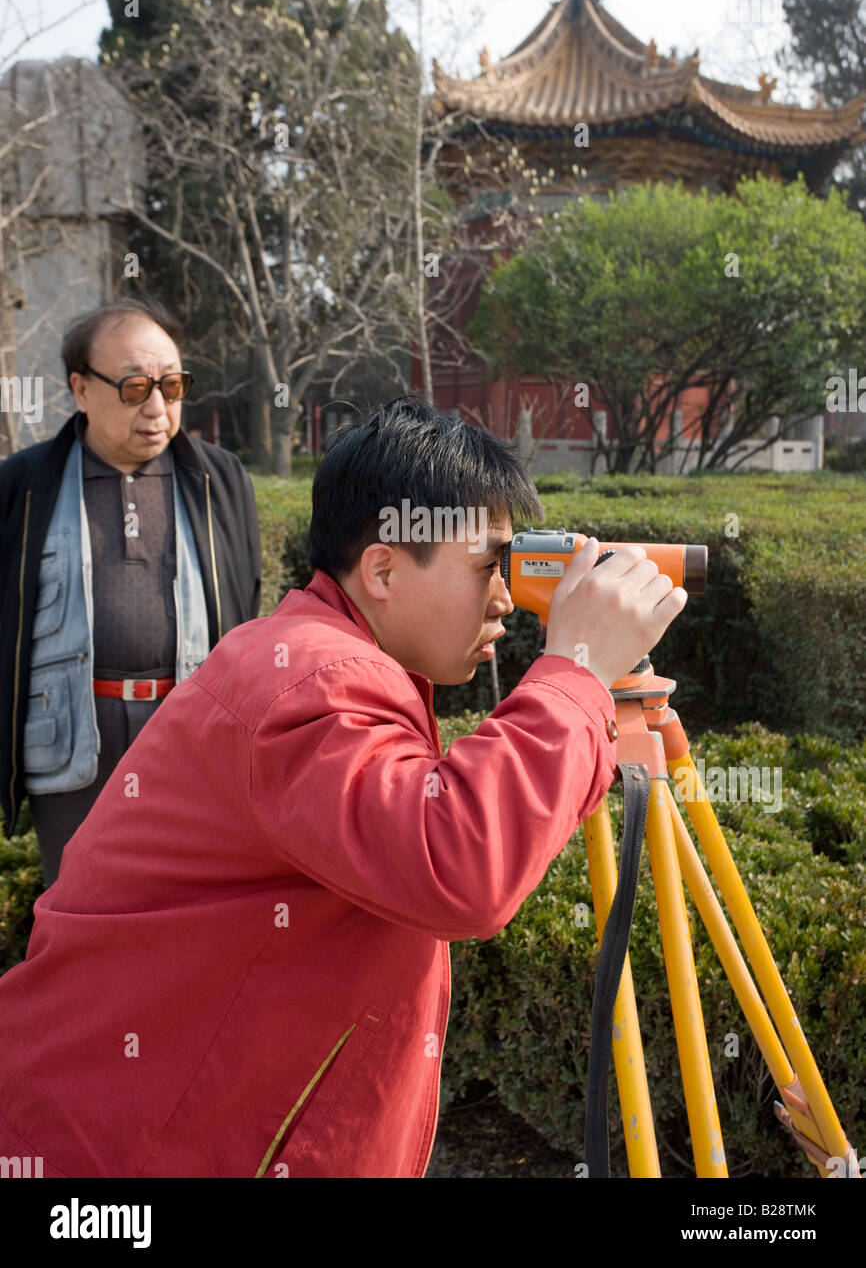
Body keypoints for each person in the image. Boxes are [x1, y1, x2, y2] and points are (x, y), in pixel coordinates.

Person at [0, 396, 686, 1178]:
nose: (506, 598)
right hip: (127, 1156)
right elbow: (458, 867)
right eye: (488, 565)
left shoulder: (310, 653)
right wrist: (577, 674)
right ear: (384, 567)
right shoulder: (318, 682)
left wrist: (586, 692)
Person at [0, 297, 262, 884]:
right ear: (80, 387)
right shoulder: (23, 486)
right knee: (77, 916)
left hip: (188, 739)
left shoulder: (220, 480)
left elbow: (245, 600)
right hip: (71, 743)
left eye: (171, 387)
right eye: (134, 387)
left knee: (186, 915)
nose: (156, 408)